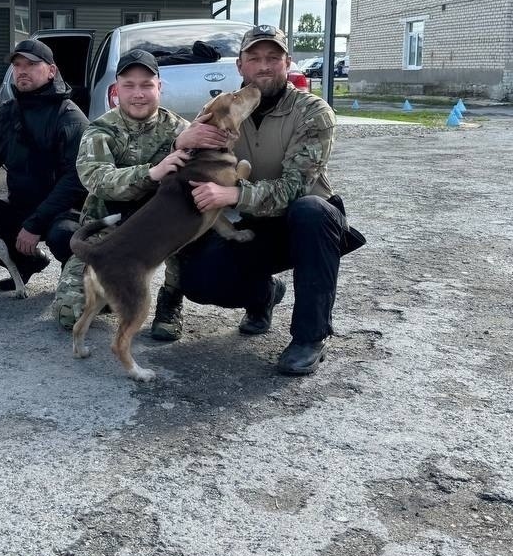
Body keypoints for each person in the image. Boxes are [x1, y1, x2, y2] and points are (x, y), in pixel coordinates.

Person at [178, 24, 364, 375]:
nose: (264, 66)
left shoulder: (313, 111)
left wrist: (233, 193)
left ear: (287, 63)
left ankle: (310, 337)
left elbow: (294, 187)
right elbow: (188, 161)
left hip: (308, 225)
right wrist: (181, 142)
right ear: (240, 67)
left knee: (311, 210)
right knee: (198, 280)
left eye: (273, 58)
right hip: (256, 224)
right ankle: (264, 294)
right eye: (255, 58)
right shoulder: (222, 110)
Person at [55, 49, 233, 337]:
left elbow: (209, 171)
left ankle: (170, 300)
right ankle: (106, 285)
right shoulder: (99, 130)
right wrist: (153, 171)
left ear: (159, 87)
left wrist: (182, 144)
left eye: (147, 85)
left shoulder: (182, 128)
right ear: (116, 90)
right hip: (112, 231)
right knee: (69, 314)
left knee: (195, 235)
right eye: (129, 85)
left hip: (163, 226)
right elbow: (98, 180)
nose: (138, 94)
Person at [0, 38, 87, 290]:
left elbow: (75, 180)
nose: (22, 70)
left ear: (51, 71)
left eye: (32, 64)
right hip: (21, 207)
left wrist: (35, 223)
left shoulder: (70, 118)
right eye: (17, 64)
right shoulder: (6, 113)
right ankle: (25, 264)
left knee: (64, 236)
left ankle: (76, 279)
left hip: (63, 211)